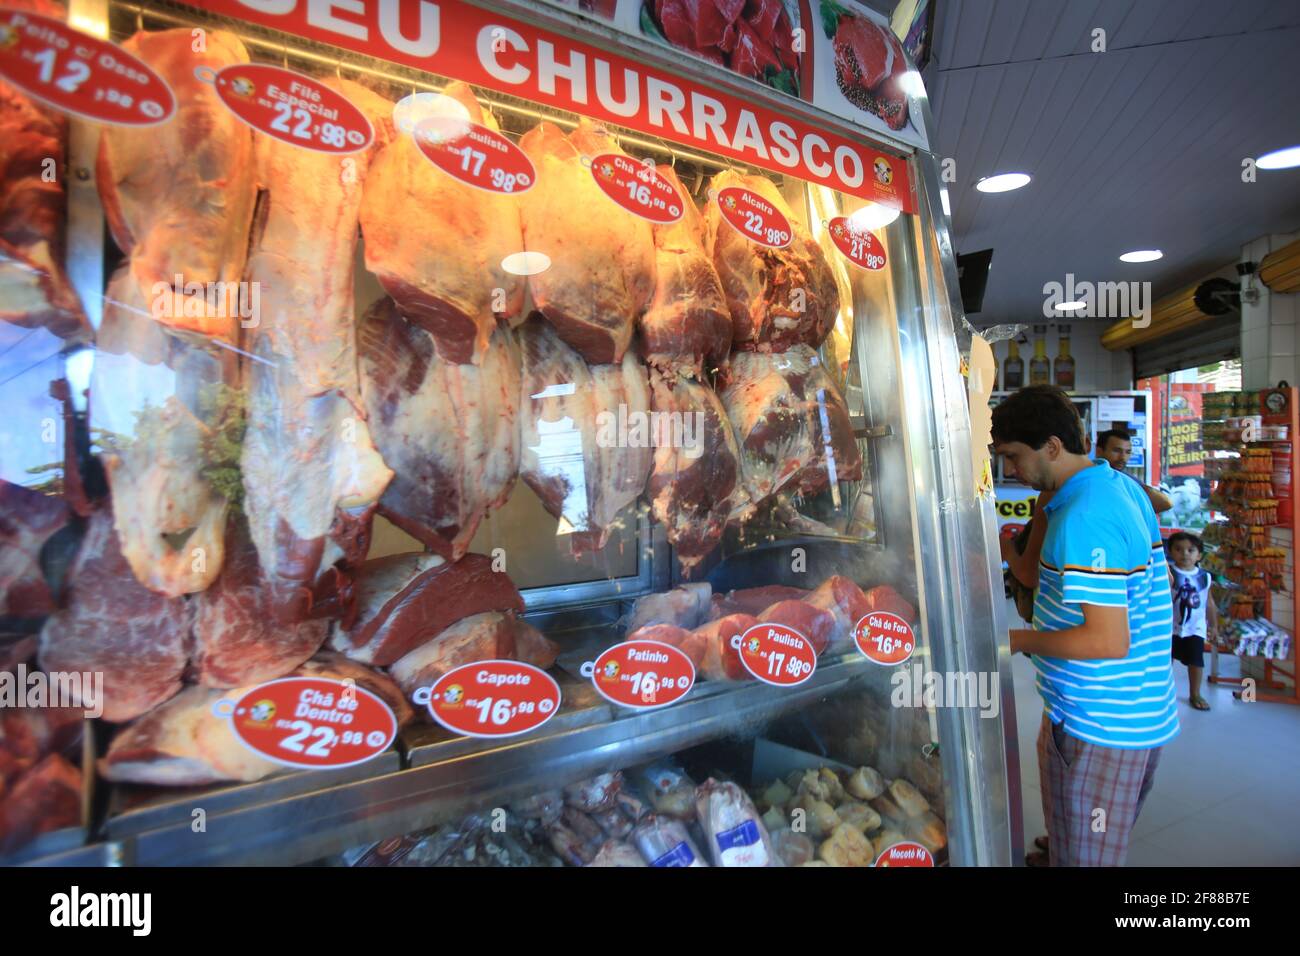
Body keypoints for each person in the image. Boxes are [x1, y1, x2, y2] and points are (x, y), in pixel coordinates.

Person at [991, 386, 1178, 867]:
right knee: (1074, 839)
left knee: (1088, 856)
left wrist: (1010, 641)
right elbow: (1035, 575)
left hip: (1102, 723)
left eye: (1014, 457)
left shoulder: (1086, 516)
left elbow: (1107, 639)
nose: (1010, 471)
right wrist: (1011, 545)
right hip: (1119, 708)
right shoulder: (1103, 486)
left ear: (1052, 446)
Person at [1166, 532, 1217, 711]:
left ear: (1199, 555)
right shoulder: (1168, 573)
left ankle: (1195, 693)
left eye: (1190, 550)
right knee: (1166, 659)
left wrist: (1214, 625)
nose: (1185, 554)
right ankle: (1164, 692)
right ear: (1171, 552)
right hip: (1170, 627)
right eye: (1179, 549)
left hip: (1195, 627)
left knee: (1196, 661)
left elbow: (1209, 603)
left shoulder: (1205, 577)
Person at [1095, 428, 1174, 514]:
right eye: (1117, 451)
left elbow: (1166, 503)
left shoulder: (1126, 479)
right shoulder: (1089, 476)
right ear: (1099, 451)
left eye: (1128, 452)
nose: (1123, 457)